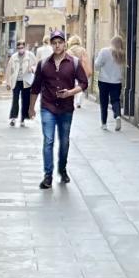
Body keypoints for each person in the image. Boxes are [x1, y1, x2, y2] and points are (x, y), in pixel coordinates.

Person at [35, 30, 87, 187]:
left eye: (60, 42)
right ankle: (48, 176)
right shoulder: (43, 64)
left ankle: (62, 169)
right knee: (48, 140)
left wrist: (70, 93)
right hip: (48, 106)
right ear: (51, 45)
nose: (57, 45)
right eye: (54, 43)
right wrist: (30, 108)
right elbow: (35, 87)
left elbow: (84, 83)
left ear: (65, 44)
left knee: (64, 141)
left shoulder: (74, 63)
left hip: (66, 108)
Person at [93, 36, 126, 128]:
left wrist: (100, 66)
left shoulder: (104, 51)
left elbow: (97, 64)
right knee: (115, 100)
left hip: (104, 81)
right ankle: (118, 116)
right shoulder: (122, 54)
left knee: (104, 102)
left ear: (112, 42)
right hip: (116, 82)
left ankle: (104, 124)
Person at [8, 43, 36, 128]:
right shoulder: (13, 57)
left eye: (22, 47)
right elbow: (9, 70)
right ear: (17, 48)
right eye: (19, 48)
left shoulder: (30, 55)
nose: (20, 49)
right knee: (15, 99)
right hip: (16, 81)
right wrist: (8, 83)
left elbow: (35, 65)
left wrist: (32, 69)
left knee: (25, 100)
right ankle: (13, 118)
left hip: (26, 81)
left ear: (25, 47)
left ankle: (23, 119)